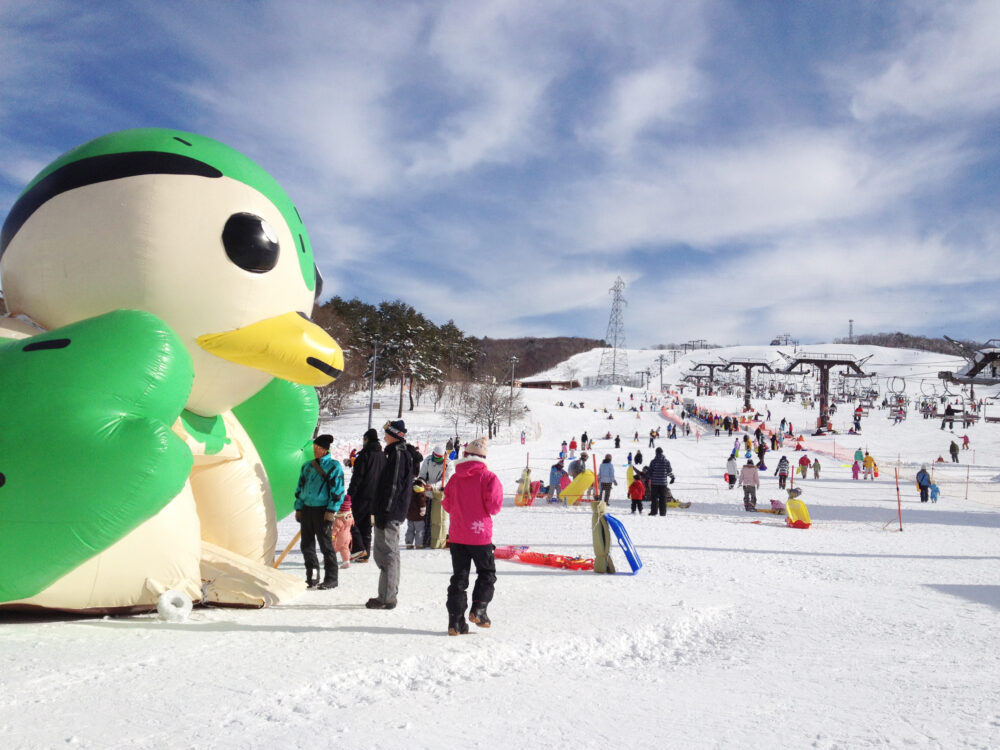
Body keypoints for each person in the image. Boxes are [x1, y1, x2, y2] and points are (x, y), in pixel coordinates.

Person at [443, 437, 503, 635]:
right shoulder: (489, 477)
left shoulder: (454, 478)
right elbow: (494, 507)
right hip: (480, 536)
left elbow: (447, 504)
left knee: (459, 578)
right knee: (486, 573)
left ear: (465, 455)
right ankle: (479, 609)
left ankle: (455, 622)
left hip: (458, 535)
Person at [367, 420, 420, 610]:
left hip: (389, 511)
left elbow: (393, 486)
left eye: (387, 433)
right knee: (389, 553)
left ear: (395, 434)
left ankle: (387, 597)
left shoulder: (398, 455)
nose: (384, 436)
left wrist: (385, 511)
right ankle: (388, 594)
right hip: (390, 511)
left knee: (387, 554)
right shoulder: (397, 453)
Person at [294, 434, 345, 590]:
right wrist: (299, 507)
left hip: (323, 510)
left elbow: (338, 492)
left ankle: (331, 578)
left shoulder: (334, 467)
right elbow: (300, 488)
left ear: (324, 450)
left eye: (317, 448)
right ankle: (313, 576)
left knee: (326, 545)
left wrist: (331, 511)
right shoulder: (307, 466)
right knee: (306, 545)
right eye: (313, 447)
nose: (314, 450)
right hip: (307, 509)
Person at [346, 428, 385, 563]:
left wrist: (350, 494)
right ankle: (365, 554)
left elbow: (358, 477)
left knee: (352, 521)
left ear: (367, 439)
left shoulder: (365, 455)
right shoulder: (382, 455)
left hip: (362, 495)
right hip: (376, 496)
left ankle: (359, 549)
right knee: (367, 526)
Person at [418, 447, 446, 548]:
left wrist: (433, 487)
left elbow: (445, 479)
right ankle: (425, 540)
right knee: (425, 517)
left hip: (439, 494)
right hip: (427, 493)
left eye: (439, 458)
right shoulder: (428, 460)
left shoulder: (447, 463)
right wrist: (422, 483)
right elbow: (422, 474)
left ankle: (437, 540)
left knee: (437, 519)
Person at [647, 447, 675, 516]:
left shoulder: (653, 461)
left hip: (655, 483)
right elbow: (669, 471)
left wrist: (648, 479)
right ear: (662, 452)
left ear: (656, 453)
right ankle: (663, 512)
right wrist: (672, 478)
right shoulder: (666, 461)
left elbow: (650, 472)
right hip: (663, 483)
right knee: (663, 498)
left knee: (654, 497)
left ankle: (654, 512)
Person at [331, 494, 354, 569]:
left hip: (339, 538)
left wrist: (332, 536)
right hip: (348, 536)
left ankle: (329, 561)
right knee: (344, 549)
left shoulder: (339, 519)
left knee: (333, 548)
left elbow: (335, 529)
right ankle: (346, 561)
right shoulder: (350, 516)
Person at [405, 481, 428, 549]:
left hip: (410, 517)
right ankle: (419, 544)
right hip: (419, 517)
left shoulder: (409, 493)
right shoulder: (421, 493)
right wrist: (423, 511)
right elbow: (422, 504)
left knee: (410, 530)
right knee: (419, 531)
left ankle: (409, 542)